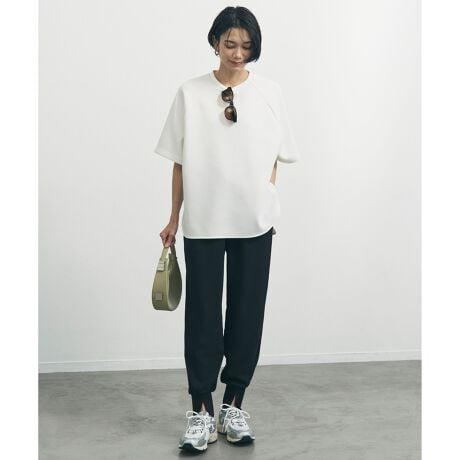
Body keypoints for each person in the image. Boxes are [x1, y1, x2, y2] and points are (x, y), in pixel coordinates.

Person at [154, 6, 300, 453]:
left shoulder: (270, 92)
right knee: (202, 315)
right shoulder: (190, 93)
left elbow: (276, 155)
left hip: (254, 221)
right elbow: (179, 162)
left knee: (247, 312)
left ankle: (233, 404)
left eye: (246, 46)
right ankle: (201, 410)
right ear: (215, 42)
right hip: (203, 219)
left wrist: (266, 197)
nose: (238, 53)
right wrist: (174, 217)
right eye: (230, 44)